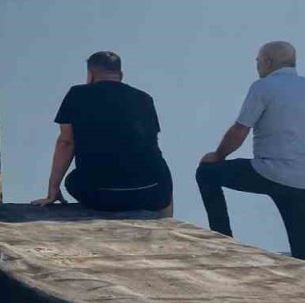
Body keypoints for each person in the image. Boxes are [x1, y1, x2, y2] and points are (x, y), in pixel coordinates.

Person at [197, 41, 305, 259]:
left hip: (268, 172)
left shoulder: (263, 86)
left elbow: (239, 130)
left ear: (267, 62)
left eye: (257, 61)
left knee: (207, 173)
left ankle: (223, 241)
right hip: (301, 181)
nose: (257, 66)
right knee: (301, 254)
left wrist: (219, 156)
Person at [31, 52, 173, 214]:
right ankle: (166, 222)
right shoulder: (144, 98)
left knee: (73, 180)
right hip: (151, 192)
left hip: (102, 194)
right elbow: (151, 142)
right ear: (120, 75)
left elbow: (66, 142)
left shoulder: (77, 94)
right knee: (161, 173)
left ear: (90, 74)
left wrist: (53, 189)